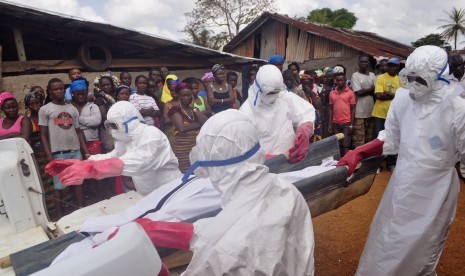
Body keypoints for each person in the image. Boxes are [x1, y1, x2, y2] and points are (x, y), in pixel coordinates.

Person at [337, 45, 465, 275]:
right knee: (388, 237)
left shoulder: (458, 109)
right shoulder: (404, 99)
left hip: (435, 191)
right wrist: (362, 151)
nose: (414, 84)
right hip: (402, 185)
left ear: (440, 77)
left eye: (421, 79)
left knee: (424, 247)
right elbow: (390, 138)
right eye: (411, 77)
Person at [46, 101, 182, 196]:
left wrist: (92, 170)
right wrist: (86, 162)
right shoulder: (126, 139)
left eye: (115, 125)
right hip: (148, 195)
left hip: (170, 191)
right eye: (109, 125)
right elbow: (114, 156)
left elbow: (137, 163)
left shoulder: (151, 135)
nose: (112, 130)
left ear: (130, 121)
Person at [240, 64, 315, 163]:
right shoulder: (246, 111)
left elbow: (305, 112)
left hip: (292, 160)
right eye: (270, 93)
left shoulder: (283, 96)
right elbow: (244, 148)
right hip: (266, 167)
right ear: (258, 88)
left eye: (276, 92)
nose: (274, 97)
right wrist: (263, 158)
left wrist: (305, 129)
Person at [40, 78, 89, 217]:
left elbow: (78, 131)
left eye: (61, 88)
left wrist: (85, 152)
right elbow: (43, 135)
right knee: (59, 186)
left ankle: (81, 208)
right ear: (49, 92)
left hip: (75, 152)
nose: (59, 91)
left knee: (77, 182)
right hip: (58, 154)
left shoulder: (71, 108)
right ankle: (60, 215)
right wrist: (49, 156)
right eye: (55, 89)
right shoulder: (45, 110)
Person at [168, 82, 208, 172]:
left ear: (192, 96)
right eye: (183, 95)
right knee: (186, 173)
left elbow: (205, 122)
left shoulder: (194, 110)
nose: (186, 98)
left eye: (188, 95)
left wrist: (193, 108)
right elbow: (182, 128)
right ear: (179, 96)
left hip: (196, 148)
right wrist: (199, 125)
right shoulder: (174, 110)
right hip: (183, 150)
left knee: (199, 172)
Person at [372, 57, 400, 170]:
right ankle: (377, 164)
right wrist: (394, 96)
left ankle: (391, 163)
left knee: (393, 139)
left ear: (398, 67)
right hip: (379, 114)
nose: (391, 68)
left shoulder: (400, 80)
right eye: (390, 65)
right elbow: (378, 95)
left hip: (394, 116)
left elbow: (401, 98)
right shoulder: (380, 78)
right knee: (379, 140)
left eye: (394, 66)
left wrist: (388, 93)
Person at [351, 54, 376, 148]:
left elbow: (376, 91)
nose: (363, 63)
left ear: (368, 63)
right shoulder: (355, 75)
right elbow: (358, 92)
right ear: (358, 63)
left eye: (365, 61)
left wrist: (367, 90)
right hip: (359, 112)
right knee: (359, 139)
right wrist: (371, 89)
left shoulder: (372, 75)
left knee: (369, 138)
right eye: (362, 61)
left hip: (371, 112)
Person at [328, 72, 356, 156]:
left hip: (346, 123)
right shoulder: (332, 93)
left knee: (346, 144)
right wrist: (330, 124)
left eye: (341, 80)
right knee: (338, 144)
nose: (339, 82)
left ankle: (346, 161)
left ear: (345, 80)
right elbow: (331, 109)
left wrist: (352, 124)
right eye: (338, 80)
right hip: (335, 123)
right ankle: (339, 162)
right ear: (335, 81)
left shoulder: (350, 92)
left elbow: (353, 109)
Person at [94, 75, 119, 153]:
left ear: (112, 85)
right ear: (100, 87)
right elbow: (104, 116)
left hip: (119, 127)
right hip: (107, 129)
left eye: (108, 84)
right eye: (103, 85)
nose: (106, 87)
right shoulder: (99, 99)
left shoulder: (116, 97)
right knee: (111, 149)